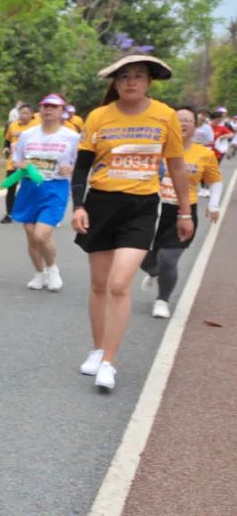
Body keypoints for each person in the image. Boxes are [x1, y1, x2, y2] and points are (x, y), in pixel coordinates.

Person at [71, 54, 192, 391]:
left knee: (119, 284)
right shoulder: (99, 116)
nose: (131, 81)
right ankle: (97, 350)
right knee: (99, 285)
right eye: (124, 76)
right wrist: (78, 206)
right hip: (101, 204)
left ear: (148, 81)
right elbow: (82, 167)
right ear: (115, 82)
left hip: (141, 208)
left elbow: (176, 165)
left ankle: (109, 362)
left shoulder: (165, 116)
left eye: (138, 75)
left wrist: (184, 212)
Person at [140, 106, 223, 318]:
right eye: (178, 119)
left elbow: (215, 181)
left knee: (168, 259)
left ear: (196, 126)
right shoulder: (155, 149)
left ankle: (162, 301)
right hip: (151, 208)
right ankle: (154, 271)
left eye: (188, 120)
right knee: (143, 259)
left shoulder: (204, 154)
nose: (183, 123)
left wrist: (213, 205)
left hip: (182, 213)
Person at [10, 94, 80, 291]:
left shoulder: (72, 137)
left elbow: (82, 164)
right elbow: (16, 160)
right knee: (31, 236)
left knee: (41, 235)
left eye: (54, 107)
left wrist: (71, 169)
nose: (48, 109)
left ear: (62, 111)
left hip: (55, 187)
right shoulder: (27, 135)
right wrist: (21, 165)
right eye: (45, 106)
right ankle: (39, 273)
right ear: (39, 110)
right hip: (29, 188)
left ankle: (52, 268)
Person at [1, 104, 39, 223]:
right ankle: (9, 214)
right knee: (11, 187)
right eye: (22, 113)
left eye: (27, 113)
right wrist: (5, 148)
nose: (24, 115)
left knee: (31, 188)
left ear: (32, 115)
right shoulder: (12, 125)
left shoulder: (37, 125)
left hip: (30, 163)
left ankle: (32, 212)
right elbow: (7, 141)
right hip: (13, 162)